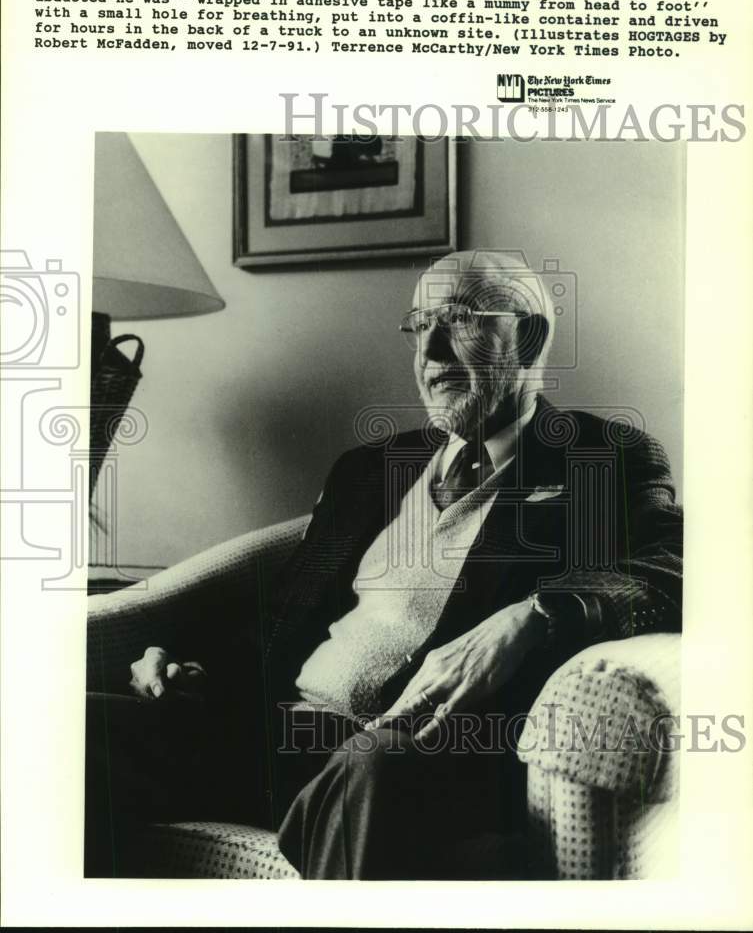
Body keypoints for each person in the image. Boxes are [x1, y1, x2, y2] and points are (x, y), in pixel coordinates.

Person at [88, 249, 683, 879]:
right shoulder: (369, 468)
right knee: (74, 725)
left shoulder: (601, 459)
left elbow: (676, 566)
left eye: (459, 320)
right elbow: (281, 604)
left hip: (420, 746)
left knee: (372, 767)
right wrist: (180, 657)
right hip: (272, 734)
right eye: (419, 325)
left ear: (530, 334)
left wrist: (536, 613)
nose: (432, 352)